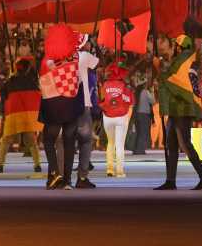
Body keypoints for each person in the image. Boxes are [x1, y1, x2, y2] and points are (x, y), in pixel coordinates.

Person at [154, 34, 202, 191]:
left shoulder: (184, 58)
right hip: (176, 108)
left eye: (175, 46)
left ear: (179, 47)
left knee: (184, 144)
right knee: (171, 144)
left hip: (182, 107)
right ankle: (170, 181)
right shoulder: (183, 59)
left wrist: (158, 67)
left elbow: (172, 79)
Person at [39, 24, 85, 190]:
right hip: (71, 103)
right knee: (69, 142)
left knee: (49, 139)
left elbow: (43, 83)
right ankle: (67, 180)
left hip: (53, 103)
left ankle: (54, 172)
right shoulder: (76, 57)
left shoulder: (46, 60)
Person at [0, 57, 42, 175]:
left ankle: (0, 165)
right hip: (27, 117)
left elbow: (3, 96)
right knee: (32, 142)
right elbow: (38, 95)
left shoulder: (10, 81)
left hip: (14, 116)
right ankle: (37, 165)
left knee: (6, 141)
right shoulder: (33, 81)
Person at [98, 60, 134, 179]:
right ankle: (119, 170)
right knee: (119, 145)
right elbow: (130, 102)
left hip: (108, 117)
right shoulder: (124, 86)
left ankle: (109, 169)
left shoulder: (105, 85)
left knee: (110, 143)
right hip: (121, 117)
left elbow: (100, 101)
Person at [73, 35, 100, 188]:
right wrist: (94, 48)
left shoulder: (65, 57)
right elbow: (97, 63)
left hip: (65, 102)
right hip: (82, 103)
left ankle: (61, 177)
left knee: (66, 141)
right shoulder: (84, 56)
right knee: (85, 140)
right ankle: (82, 177)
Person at [130, 81, 154, 155]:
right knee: (143, 133)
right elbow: (153, 101)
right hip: (144, 115)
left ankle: (136, 149)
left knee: (138, 133)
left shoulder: (136, 93)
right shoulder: (146, 92)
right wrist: (152, 92)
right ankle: (140, 150)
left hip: (137, 114)